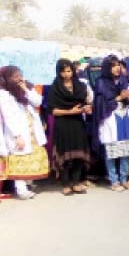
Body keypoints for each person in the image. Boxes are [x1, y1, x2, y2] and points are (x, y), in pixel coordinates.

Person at [0, 66, 48, 199]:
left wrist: (25, 88)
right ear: (6, 78)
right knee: (19, 159)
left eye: (19, 75)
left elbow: (38, 101)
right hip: (18, 132)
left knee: (31, 156)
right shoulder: (4, 93)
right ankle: (21, 190)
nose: (18, 79)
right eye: (14, 77)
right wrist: (17, 136)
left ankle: (28, 183)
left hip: (32, 129)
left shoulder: (26, 88)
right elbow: (8, 116)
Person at [48, 59, 91, 195]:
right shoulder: (55, 88)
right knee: (65, 156)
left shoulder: (79, 86)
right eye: (63, 71)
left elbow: (85, 103)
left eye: (69, 71)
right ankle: (66, 184)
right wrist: (70, 111)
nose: (66, 74)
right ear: (58, 72)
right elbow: (53, 111)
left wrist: (87, 108)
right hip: (63, 124)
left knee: (78, 154)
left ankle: (76, 183)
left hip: (77, 123)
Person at [93, 55, 129, 191]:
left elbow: (127, 100)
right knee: (111, 150)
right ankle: (113, 180)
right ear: (107, 68)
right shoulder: (101, 82)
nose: (117, 68)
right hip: (109, 119)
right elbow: (101, 103)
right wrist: (119, 97)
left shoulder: (123, 80)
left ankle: (123, 178)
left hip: (123, 117)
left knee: (124, 150)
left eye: (118, 65)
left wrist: (127, 97)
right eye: (113, 65)